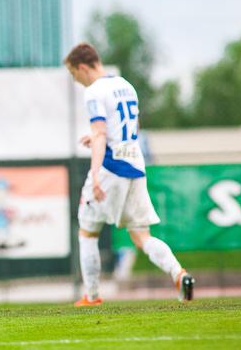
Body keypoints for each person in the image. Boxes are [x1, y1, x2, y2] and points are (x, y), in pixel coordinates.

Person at [64, 43, 194, 306]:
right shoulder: (125, 85)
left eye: (72, 73)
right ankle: (179, 273)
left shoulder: (93, 92)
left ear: (81, 67)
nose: (74, 79)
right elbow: (132, 127)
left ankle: (91, 296)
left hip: (111, 167)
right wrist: (99, 136)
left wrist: (96, 175)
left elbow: (101, 134)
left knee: (87, 231)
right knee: (141, 235)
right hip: (136, 165)